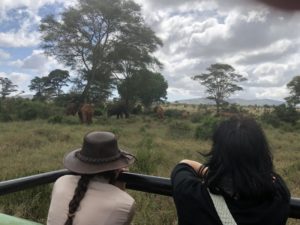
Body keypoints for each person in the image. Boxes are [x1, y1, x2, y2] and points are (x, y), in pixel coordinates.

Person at [171, 117, 290, 225]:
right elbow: (271, 177)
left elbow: (184, 164)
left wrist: (211, 173)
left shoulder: (190, 193)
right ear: (262, 154)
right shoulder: (279, 196)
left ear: (216, 154)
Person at [47, 131, 136, 225]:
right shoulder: (126, 203)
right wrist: (120, 186)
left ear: (80, 163)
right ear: (117, 168)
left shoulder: (61, 182)